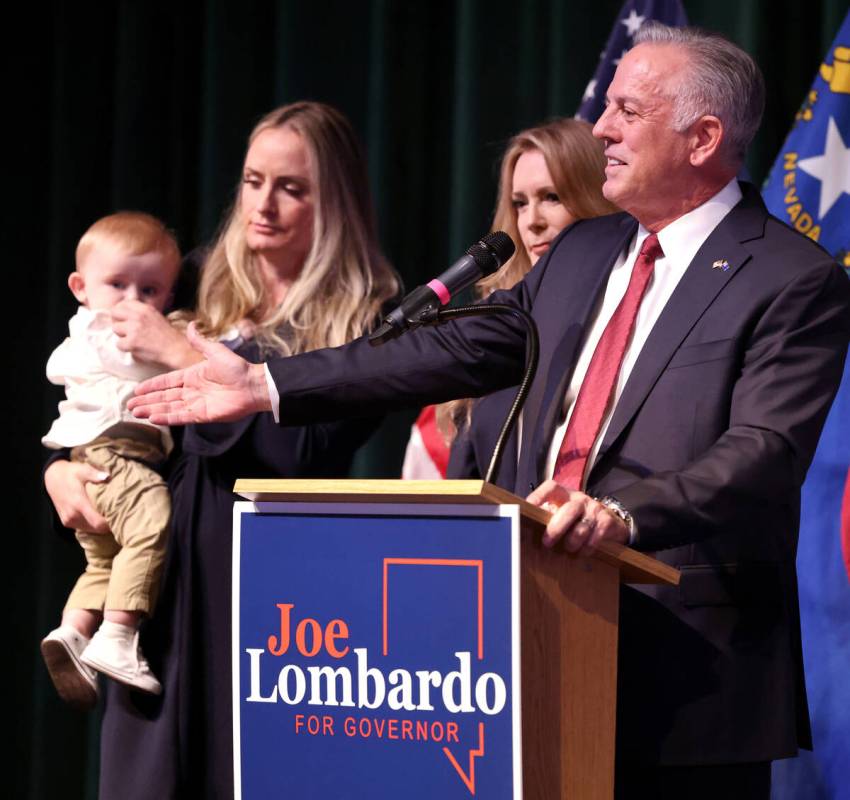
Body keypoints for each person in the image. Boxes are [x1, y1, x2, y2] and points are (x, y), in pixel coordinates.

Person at [130, 25, 850, 799]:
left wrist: (617, 511)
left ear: (703, 137)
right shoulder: (584, 250)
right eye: (605, 107)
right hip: (522, 641)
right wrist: (271, 386)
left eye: (627, 112)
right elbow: (458, 347)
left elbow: (764, 452)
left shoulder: (790, 278)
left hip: (687, 667)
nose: (601, 128)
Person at [45, 101, 399, 798]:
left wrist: (180, 350)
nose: (262, 205)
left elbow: (303, 455)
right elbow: (92, 386)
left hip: (275, 601)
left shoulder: (373, 317)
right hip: (157, 584)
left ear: (336, 200)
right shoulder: (195, 278)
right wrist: (58, 469)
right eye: (251, 180)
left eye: (291, 188)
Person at [401, 118, 617, 479]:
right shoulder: (497, 322)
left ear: (594, 197)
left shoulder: (625, 320)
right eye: (519, 203)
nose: (532, 221)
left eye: (552, 197)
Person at [41, 212, 180, 707]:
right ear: (80, 287)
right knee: (152, 517)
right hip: (115, 454)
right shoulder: (101, 331)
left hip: (99, 458)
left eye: (150, 291)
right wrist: (179, 339)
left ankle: (72, 633)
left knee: (105, 559)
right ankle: (119, 637)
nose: (133, 302)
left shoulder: (104, 324)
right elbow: (139, 357)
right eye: (117, 285)